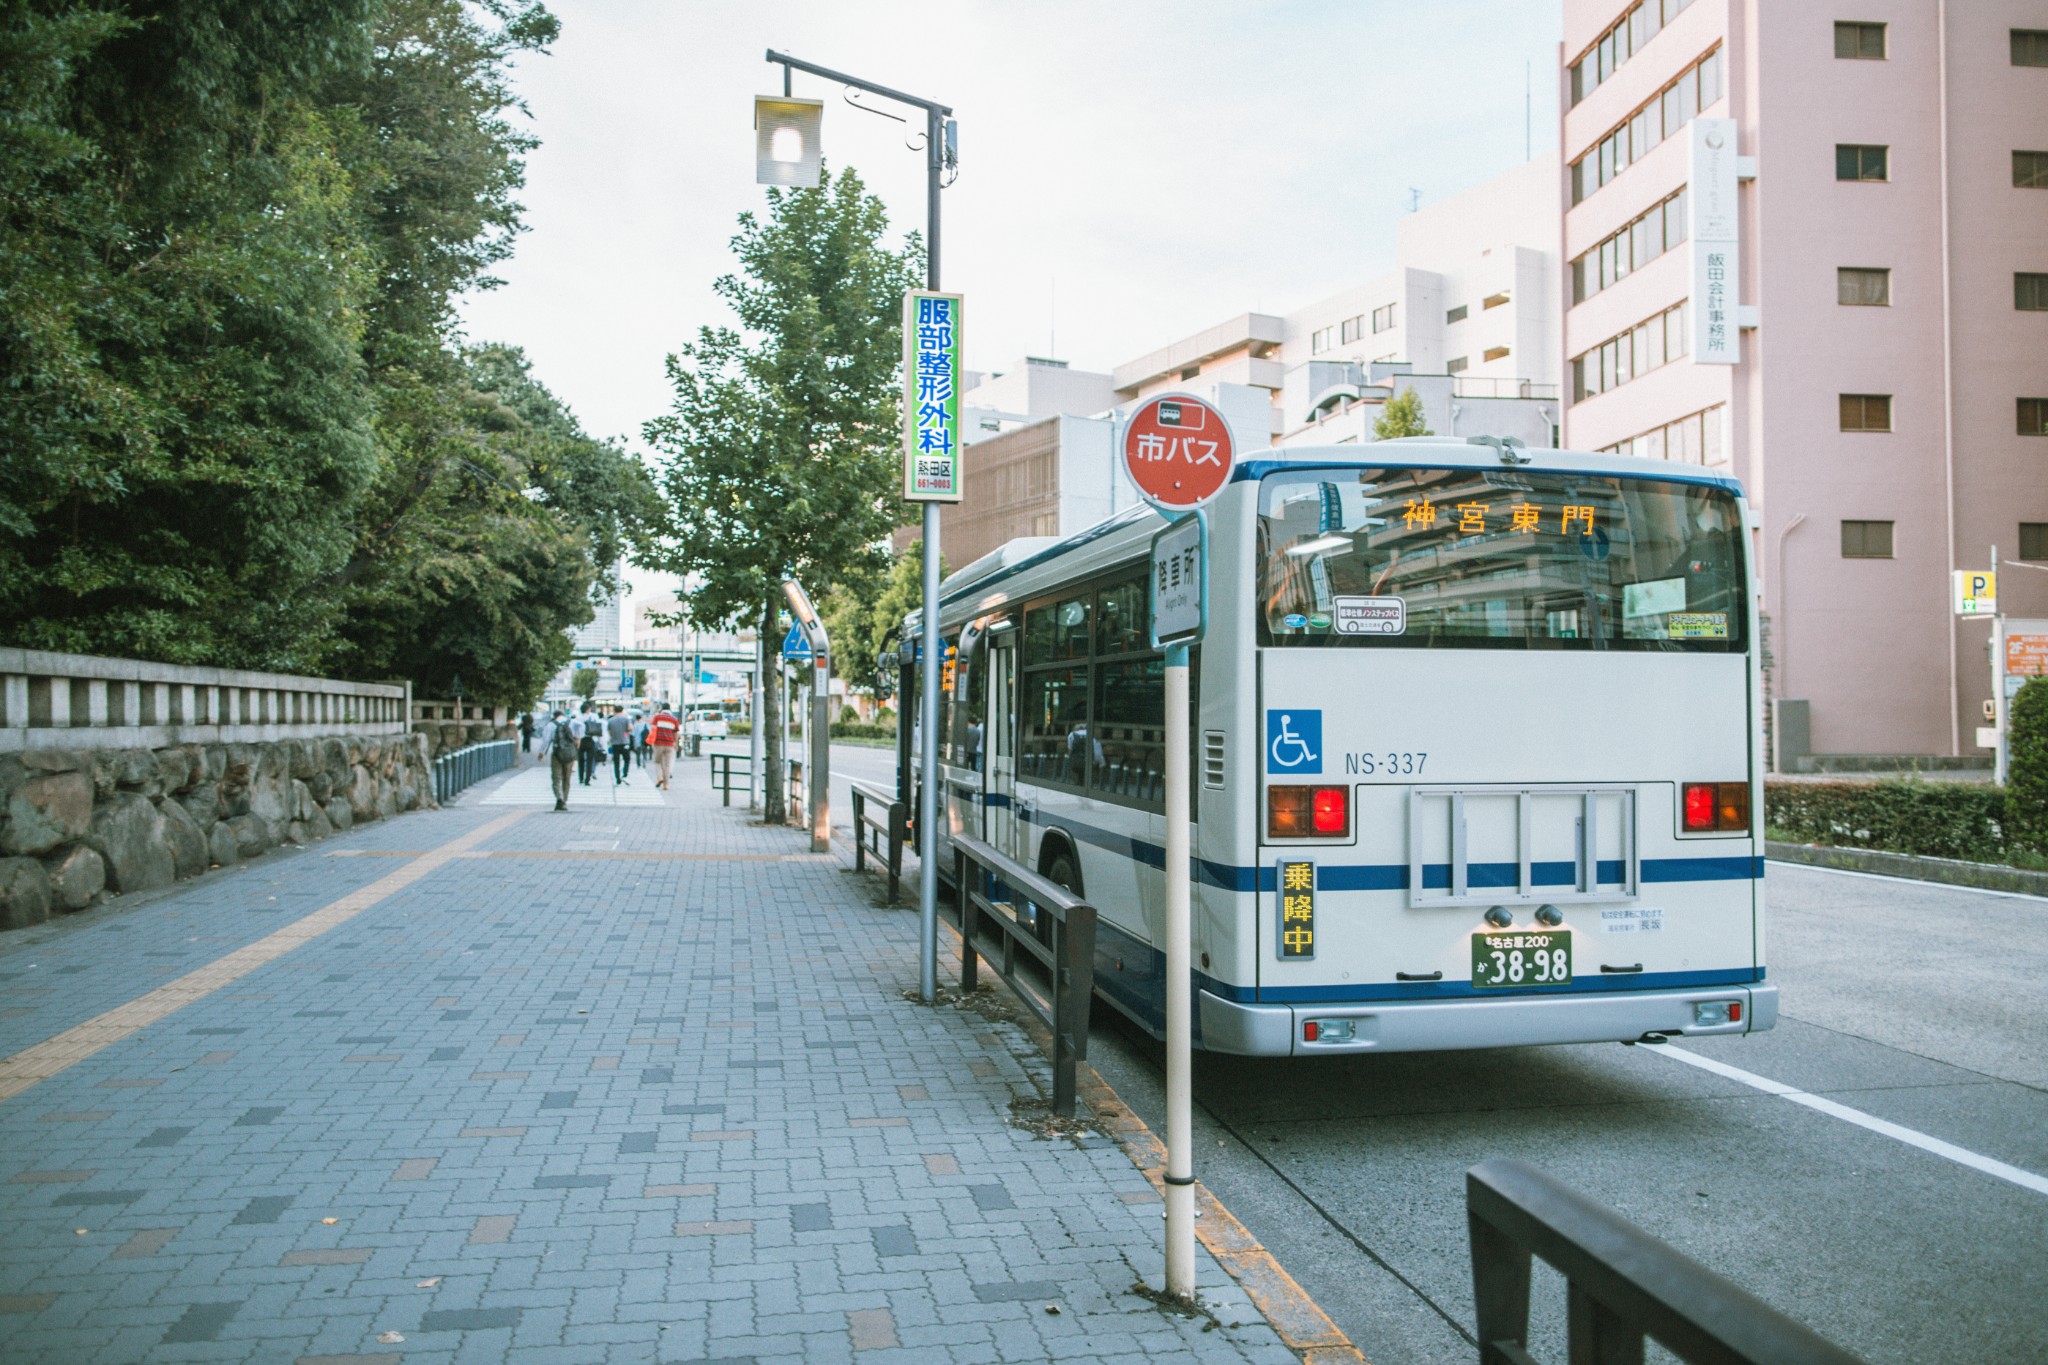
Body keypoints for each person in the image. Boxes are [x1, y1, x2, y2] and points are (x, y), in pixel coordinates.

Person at [539, 709, 577, 811]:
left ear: (554, 716)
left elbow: (546, 740)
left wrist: (542, 753)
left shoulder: (551, 725)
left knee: (556, 778)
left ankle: (559, 798)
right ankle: (564, 800)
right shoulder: (572, 723)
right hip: (570, 755)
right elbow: (579, 733)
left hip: (557, 754)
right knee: (567, 778)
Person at [649, 704, 680, 790]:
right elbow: (675, 734)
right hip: (669, 744)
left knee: (657, 762)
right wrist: (676, 744)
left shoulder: (657, 717)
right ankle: (666, 785)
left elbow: (652, 729)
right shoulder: (674, 720)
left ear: (661, 709)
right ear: (670, 709)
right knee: (667, 765)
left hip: (658, 743)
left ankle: (660, 777)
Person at [606, 706, 634, 784]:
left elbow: (609, 731)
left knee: (616, 761)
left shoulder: (610, 720)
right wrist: (626, 731)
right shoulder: (626, 719)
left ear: (614, 711)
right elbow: (630, 728)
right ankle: (624, 774)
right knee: (627, 759)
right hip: (625, 742)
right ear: (622, 710)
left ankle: (617, 778)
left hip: (615, 743)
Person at [577, 702, 601, 786]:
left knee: (581, 760)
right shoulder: (594, 716)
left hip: (580, 740)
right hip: (591, 739)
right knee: (590, 760)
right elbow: (598, 728)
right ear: (588, 709)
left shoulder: (578, 718)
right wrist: (600, 740)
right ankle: (587, 779)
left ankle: (580, 778)